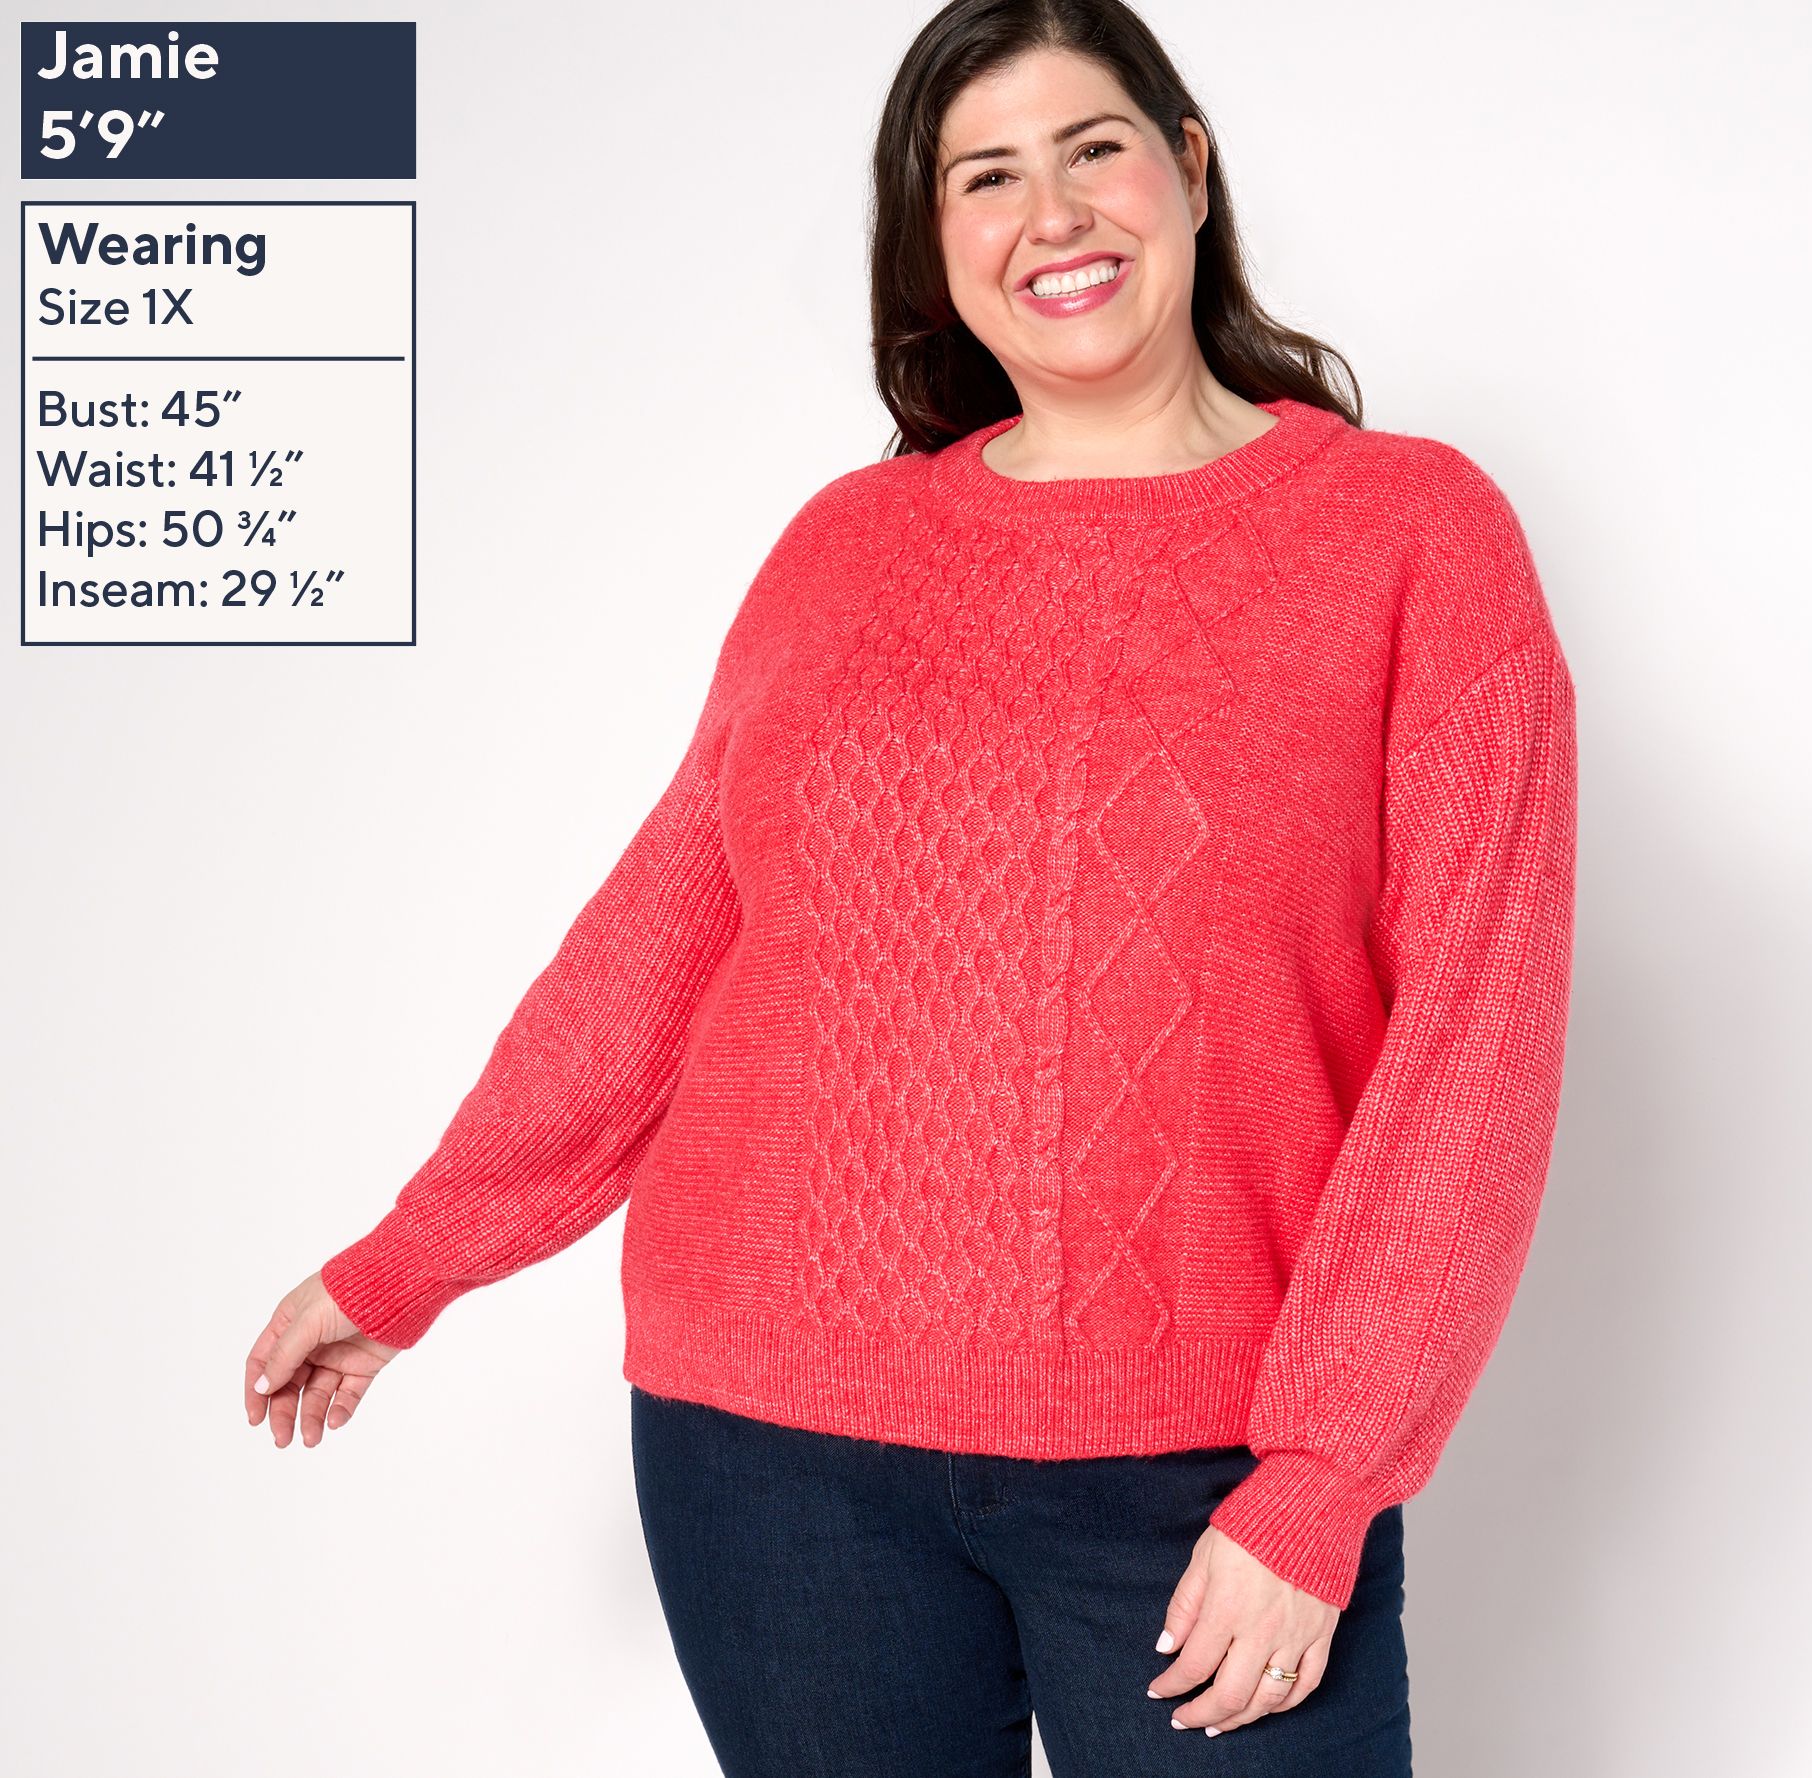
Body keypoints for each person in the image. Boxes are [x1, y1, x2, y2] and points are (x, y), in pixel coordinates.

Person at [244, 2, 1579, 1771]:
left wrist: (1324, 1478)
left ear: (1188, 169)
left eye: (1094, 149)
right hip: (771, 1453)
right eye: (986, 178)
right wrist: (409, 1261)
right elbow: (662, 945)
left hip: (1203, 1472)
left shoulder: (1414, 536)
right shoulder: (846, 549)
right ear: (934, 239)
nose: (1054, 215)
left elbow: (1474, 1047)